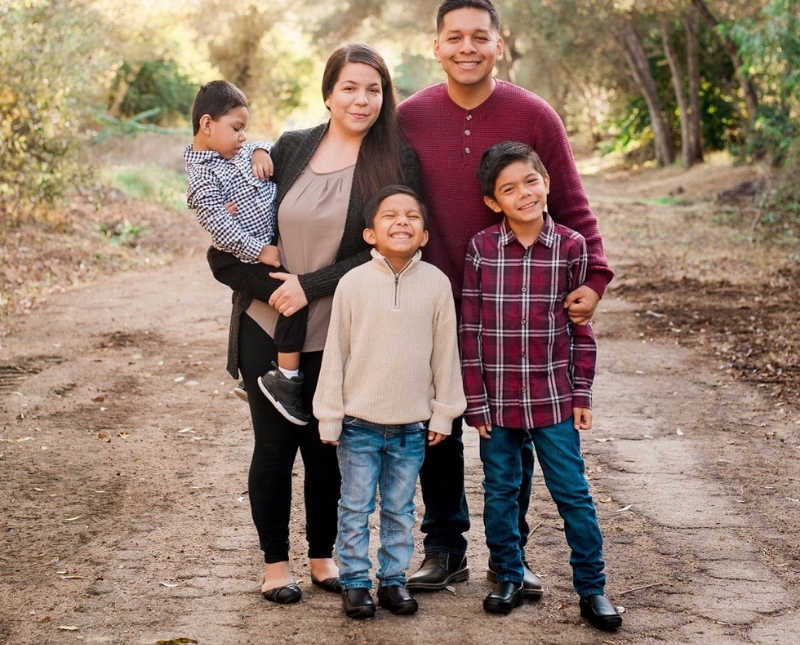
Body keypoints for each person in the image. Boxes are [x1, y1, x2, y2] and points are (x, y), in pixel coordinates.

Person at [397, 0, 614, 594]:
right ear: (436, 46)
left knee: (510, 437)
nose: (467, 47)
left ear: (499, 43)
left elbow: (571, 202)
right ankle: (443, 548)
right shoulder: (408, 116)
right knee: (436, 428)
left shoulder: (534, 114)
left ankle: (508, 558)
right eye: (454, 37)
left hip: (517, 311)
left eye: (479, 37)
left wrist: (594, 279)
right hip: (434, 301)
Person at [221, 43, 420, 604]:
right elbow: (232, 235)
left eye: (374, 88)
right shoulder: (288, 149)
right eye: (350, 87)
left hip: (341, 328)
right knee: (273, 447)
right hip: (267, 324)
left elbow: (389, 249)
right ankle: (274, 563)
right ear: (328, 93)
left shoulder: (396, 162)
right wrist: (277, 290)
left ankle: (321, 556)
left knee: (326, 449)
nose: (362, 99)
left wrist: (308, 286)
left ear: (386, 96)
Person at [460, 141, 621, 630]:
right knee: (501, 491)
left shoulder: (572, 247)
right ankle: (508, 574)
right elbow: (470, 331)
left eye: (531, 181)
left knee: (573, 492)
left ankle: (592, 590)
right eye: (509, 189)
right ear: (494, 202)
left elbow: (581, 328)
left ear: (547, 183)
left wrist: (582, 393)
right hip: (499, 402)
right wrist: (476, 402)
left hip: (553, 400)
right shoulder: (481, 249)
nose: (524, 193)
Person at [313, 185, 466, 619]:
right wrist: (330, 416)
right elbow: (335, 354)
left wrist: (444, 411)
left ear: (425, 235)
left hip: (411, 426)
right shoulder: (352, 284)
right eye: (389, 216)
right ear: (369, 234)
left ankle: (394, 581)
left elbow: (445, 355)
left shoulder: (436, 284)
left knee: (400, 509)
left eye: (412, 217)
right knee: (356, 506)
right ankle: (357, 582)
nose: (402, 222)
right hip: (358, 423)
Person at [185, 80, 311, 425]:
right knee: (291, 300)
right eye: (236, 129)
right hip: (240, 256)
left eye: (245, 130)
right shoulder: (201, 177)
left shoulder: (238, 151)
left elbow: (260, 146)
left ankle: (250, 375)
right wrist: (261, 252)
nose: (242, 136)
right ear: (207, 124)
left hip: (259, 247)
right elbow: (221, 230)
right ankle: (286, 380)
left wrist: (259, 150)